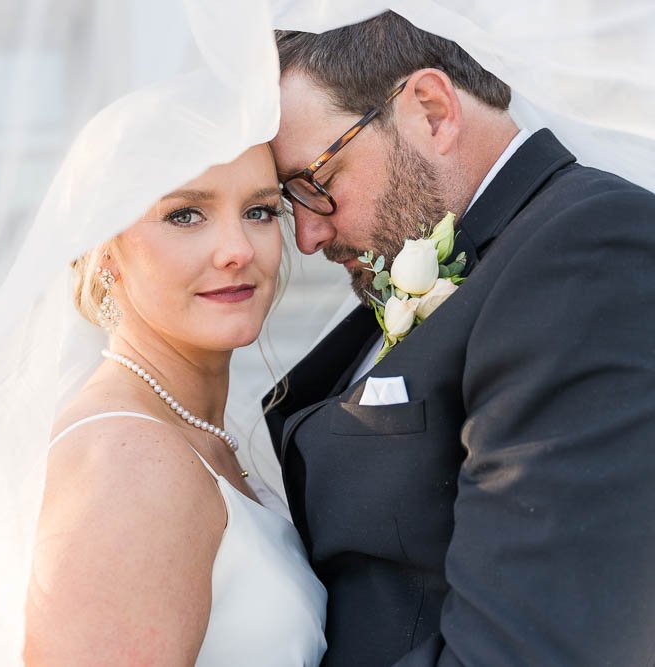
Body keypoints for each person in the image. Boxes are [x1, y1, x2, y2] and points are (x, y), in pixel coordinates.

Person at [264, 11, 655, 667]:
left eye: (319, 183)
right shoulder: (469, 258)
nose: (307, 236)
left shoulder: (588, 252)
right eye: (286, 201)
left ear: (432, 110)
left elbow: (534, 646)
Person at [23, 144, 327, 665]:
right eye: (185, 215)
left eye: (259, 211)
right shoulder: (128, 464)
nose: (238, 250)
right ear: (105, 253)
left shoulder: (198, 433)